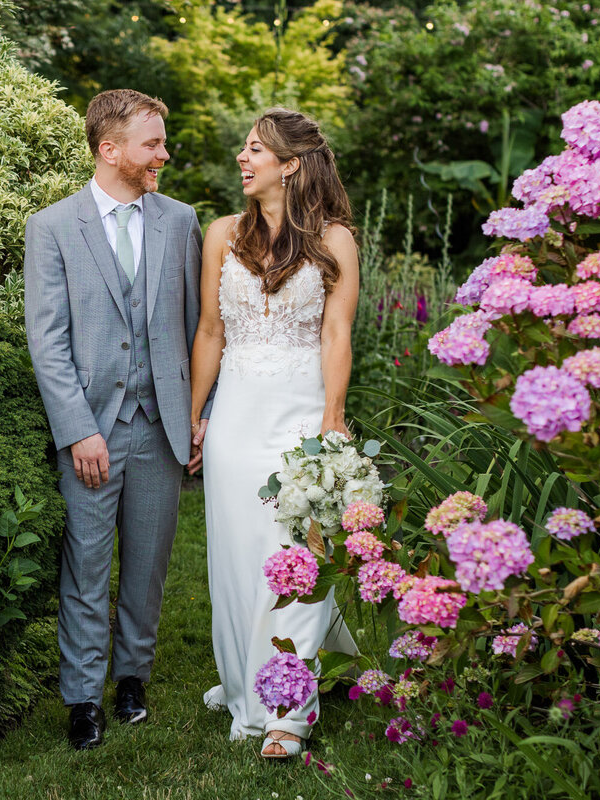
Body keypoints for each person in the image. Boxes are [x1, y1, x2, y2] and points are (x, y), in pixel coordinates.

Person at [24, 89, 208, 750]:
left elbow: (198, 328)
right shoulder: (52, 227)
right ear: (110, 149)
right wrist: (77, 428)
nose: (164, 153)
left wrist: (198, 416)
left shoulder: (180, 221)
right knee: (86, 565)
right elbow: (47, 341)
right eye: (153, 143)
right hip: (91, 432)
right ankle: (82, 697)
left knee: (149, 564)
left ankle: (132, 677)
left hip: (158, 425)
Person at [188, 108, 360, 759]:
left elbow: (336, 334)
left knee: (297, 554)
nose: (243, 157)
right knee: (239, 557)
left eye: (255, 149)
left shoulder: (334, 239)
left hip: (299, 416)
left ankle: (289, 710)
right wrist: (194, 412)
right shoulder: (220, 235)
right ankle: (245, 679)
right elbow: (211, 330)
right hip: (236, 419)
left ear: (290, 164)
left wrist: (333, 419)